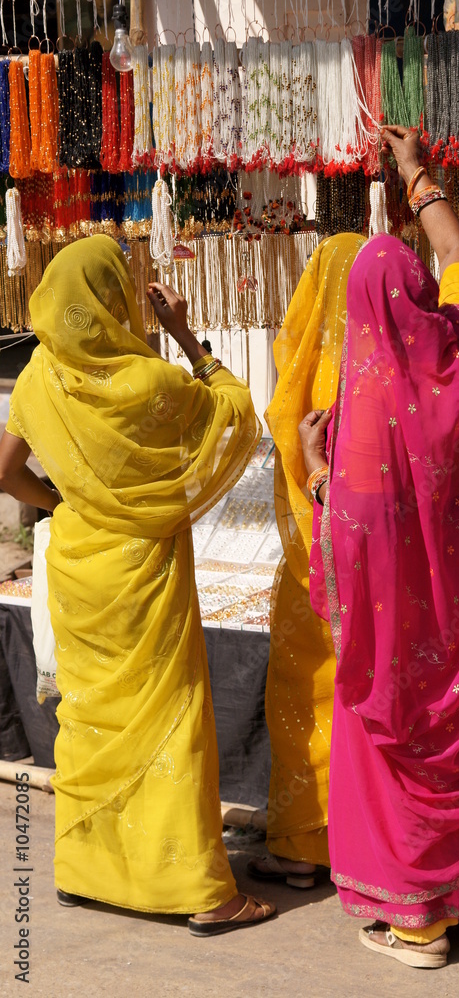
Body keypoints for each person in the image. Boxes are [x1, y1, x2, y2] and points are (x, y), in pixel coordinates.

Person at [297, 126, 459, 970]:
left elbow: (351, 541)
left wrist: (311, 470)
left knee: (392, 740)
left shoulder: (362, 414)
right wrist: (415, 174)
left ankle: (418, 923)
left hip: (410, 644)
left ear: (361, 311)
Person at [0, 236, 276, 936]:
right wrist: (184, 334)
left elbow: (4, 472)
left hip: (78, 564)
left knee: (91, 715)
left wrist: (64, 503)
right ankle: (202, 892)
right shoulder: (151, 381)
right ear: (113, 302)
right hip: (144, 566)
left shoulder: (38, 377)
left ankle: (89, 871)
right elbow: (235, 412)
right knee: (167, 718)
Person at [251, 233, 366, 888]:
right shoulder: (396, 362)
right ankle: (362, 843)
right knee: (363, 703)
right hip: (379, 573)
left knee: (304, 698)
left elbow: (279, 427)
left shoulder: (304, 362)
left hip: (311, 561)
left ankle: (298, 848)